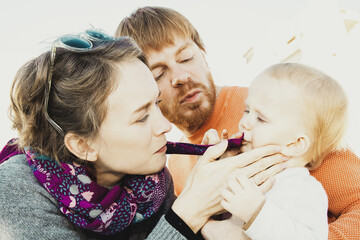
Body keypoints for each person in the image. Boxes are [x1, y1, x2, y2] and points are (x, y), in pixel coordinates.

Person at [0, 29, 284, 240]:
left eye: (156, 105)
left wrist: (223, 197)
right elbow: (179, 225)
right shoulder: (14, 190)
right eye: (141, 117)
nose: (165, 127)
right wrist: (187, 212)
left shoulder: (150, 183)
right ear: (83, 145)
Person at [115, 6, 360, 239]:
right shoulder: (173, 166)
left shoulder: (281, 112)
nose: (180, 76)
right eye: (159, 74)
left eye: (186, 58)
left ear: (203, 53)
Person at [205, 62, 348, 239]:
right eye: (247, 110)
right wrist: (219, 165)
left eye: (261, 119)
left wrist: (256, 213)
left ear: (295, 144)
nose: (244, 122)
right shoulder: (247, 172)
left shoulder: (302, 189)